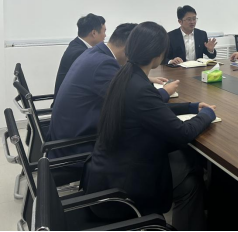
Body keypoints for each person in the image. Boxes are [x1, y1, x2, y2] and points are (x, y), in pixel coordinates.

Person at [83, 22, 217, 230]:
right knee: (191, 176)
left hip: (107, 173)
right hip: (123, 188)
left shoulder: (126, 73)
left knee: (187, 161)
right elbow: (182, 133)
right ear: (158, 54)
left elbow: (152, 108)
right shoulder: (139, 86)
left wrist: (190, 106)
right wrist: (207, 115)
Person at [47, 23, 179, 159]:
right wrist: (165, 92)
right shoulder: (104, 64)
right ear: (129, 47)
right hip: (78, 146)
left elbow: (120, 82)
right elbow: (136, 102)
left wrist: (147, 78)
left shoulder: (96, 53)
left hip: (67, 134)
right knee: (153, 134)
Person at [54, 13, 106, 98]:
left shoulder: (76, 45)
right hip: (70, 103)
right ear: (94, 33)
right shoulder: (80, 53)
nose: (105, 35)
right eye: (104, 31)